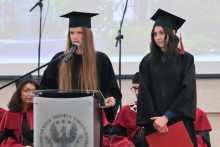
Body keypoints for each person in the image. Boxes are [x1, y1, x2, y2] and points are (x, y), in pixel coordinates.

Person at [40, 11, 122, 146]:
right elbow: (45, 89)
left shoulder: (101, 60)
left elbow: (111, 89)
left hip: (90, 120)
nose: (75, 37)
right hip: (62, 119)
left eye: (79, 33)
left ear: (88, 35)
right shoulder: (60, 59)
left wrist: (109, 99)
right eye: (72, 33)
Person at [136, 9, 198, 147]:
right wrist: (157, 121)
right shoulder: (147, 62)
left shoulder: (186, 59)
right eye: (155, 34)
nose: (158, 37)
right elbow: (144, 94)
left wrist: (166, 117)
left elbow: (187, 92)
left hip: (179, 122)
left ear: (173, 32)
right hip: (154, 124)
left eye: (162, 33)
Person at [0, 79, 40, 147]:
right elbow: (3, 138)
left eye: (34, 91)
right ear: (19, 93)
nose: (31, 94)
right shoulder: (9, 115)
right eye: (26, 91)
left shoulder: (41, 114)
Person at [109, 72, 142, 147]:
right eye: (134, 88)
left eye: (139, 89)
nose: (136, 93)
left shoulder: (158, 110)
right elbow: (115, 137)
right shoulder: (126, 110)